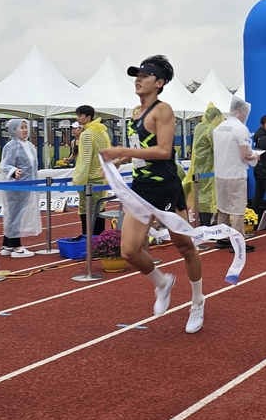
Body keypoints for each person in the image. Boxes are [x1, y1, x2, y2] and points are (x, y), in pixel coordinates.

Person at [97, 55, 206, 333]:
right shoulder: (136, 112)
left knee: (185, 247)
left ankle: (197, 302)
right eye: (136, 74)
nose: (138, 79)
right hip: (141, 189)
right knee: (130, 251)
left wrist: (121, 151)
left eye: (144, 75)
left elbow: (163, 152)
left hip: (166, 187)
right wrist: (118, 162)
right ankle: (162, 282)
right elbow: (143, 152)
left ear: (159, 83)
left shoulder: (163, 110)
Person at [211, 97, 258, 243]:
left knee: (223, 207)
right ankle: (237, 241)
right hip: (236, 173)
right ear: (241, 111)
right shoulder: (241, 129)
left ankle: (222, 238)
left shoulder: (218, 128)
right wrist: (255, 155)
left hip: (220, 173)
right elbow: (245, 153)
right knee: (238, 209)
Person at [0, 118, 41, 258]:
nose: (24, 130)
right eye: (21, 127)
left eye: (25, 127)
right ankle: (16, 246)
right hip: (17, 186)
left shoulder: (29, 145)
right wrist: (14, 171)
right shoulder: (12, 146)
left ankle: (7, 244)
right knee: (15, 214)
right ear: (13, 130)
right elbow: (5, 164)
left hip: (28, 184)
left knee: (16, 214)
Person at [71, 105, 110, 242]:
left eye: (81, 116)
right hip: (101, 176)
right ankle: (100, 241)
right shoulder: (102, 131)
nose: (78, 118)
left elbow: (84, 158)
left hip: (89, 179)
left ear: (88, 117)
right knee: (99, 209)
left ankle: (88, 241)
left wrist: (78, 180)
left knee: (86, 210)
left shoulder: (87, 134)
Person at [186, 102, 223, 227]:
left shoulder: (198, 127)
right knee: (209, 198)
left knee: (201, 198)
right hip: (209, 169)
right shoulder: (211, 129)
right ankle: (209, 227)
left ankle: (204, 225)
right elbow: (218, 149)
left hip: (197, 167)